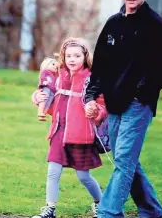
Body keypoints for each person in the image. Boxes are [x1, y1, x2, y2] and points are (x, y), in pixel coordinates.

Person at [83, 0, 162, 218]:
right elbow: (100, 65)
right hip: (114, 103)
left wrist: (140, 94)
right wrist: (91, 96)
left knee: (123, 158)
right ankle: (152, 210)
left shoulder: (158, 27)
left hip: (138, 104)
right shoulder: (113, 24)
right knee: (125, 158)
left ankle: (108, 212)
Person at [31, 38, 108, 218]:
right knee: (53, 172)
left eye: (77, 56)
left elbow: (102, 104)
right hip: (59, 131)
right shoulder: (59, 76)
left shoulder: (92, 78)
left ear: (85, 56)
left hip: (81, 136)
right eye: (68, 56)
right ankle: (50, 209)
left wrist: (95, 110)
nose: (72, 60)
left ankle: (101, 203)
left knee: (83, 176)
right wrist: (38, 97)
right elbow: (49, 98)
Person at [35, 56, 58, 121]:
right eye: (53, 64)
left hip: (52, 91)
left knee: (49, 101)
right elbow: (43, 76)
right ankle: (40, 112)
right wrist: (44, 80)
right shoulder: (46, 71)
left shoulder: (54, 76)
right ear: (46, 64)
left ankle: (44, 113)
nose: (55, 66)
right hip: (46, 87)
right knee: (44, 98)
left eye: (56, 65)